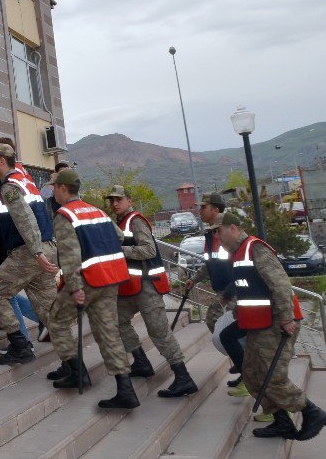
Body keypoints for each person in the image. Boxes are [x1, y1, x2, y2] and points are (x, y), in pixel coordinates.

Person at [219, 212, 325, 441]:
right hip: (257, 325)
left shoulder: (256, 248)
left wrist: (287, 318)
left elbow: (281, 285)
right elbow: (252, 290)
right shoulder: (238, 253)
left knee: (273, 377)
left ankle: (311, 412)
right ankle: (281, 422)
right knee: (252, 374)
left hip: (276, 323)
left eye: (219, 231)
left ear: (233, 228)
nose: (217, 237)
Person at [51, 169, 139, 409]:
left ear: (63, 188)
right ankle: (125, 389)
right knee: (108, 333)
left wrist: (75, 288)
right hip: (111, 279)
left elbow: (69, 256)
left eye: (54, 187)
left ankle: (77, 372)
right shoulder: (97, 211)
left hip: (87, 281)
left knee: (57, 321)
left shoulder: (64, 215)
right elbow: (120, 236)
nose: (53, 191)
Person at [0, 143, 71, 366]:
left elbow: (26, 221)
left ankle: (20, 346)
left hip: (29, 252)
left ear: (1, 161)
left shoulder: (9, 187)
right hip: (46, 248)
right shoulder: (26, 181)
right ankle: (74, 365)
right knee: (48, 310)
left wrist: (37, 253)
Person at [107, 185, 198, 398]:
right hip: (129, 286)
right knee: (119, 322)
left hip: (146, 285)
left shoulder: (135, 220)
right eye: (112, 200)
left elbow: (148, 249)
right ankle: (141, 362)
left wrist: (120, 251)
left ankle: (183, 377)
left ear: (129, 200)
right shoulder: (120, 222)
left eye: (119, 199)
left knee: (158, 332)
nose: (115, 203)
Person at [185, 193, 232, 333]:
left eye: (204, 207)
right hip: (223, 290)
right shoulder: (211, 235)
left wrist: (229, 293)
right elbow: (210, 262)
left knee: (214, 320)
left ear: (215, 210)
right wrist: (194, 279)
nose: (200, 211)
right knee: (216, 322)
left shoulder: (227, 233)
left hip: (233, 290)